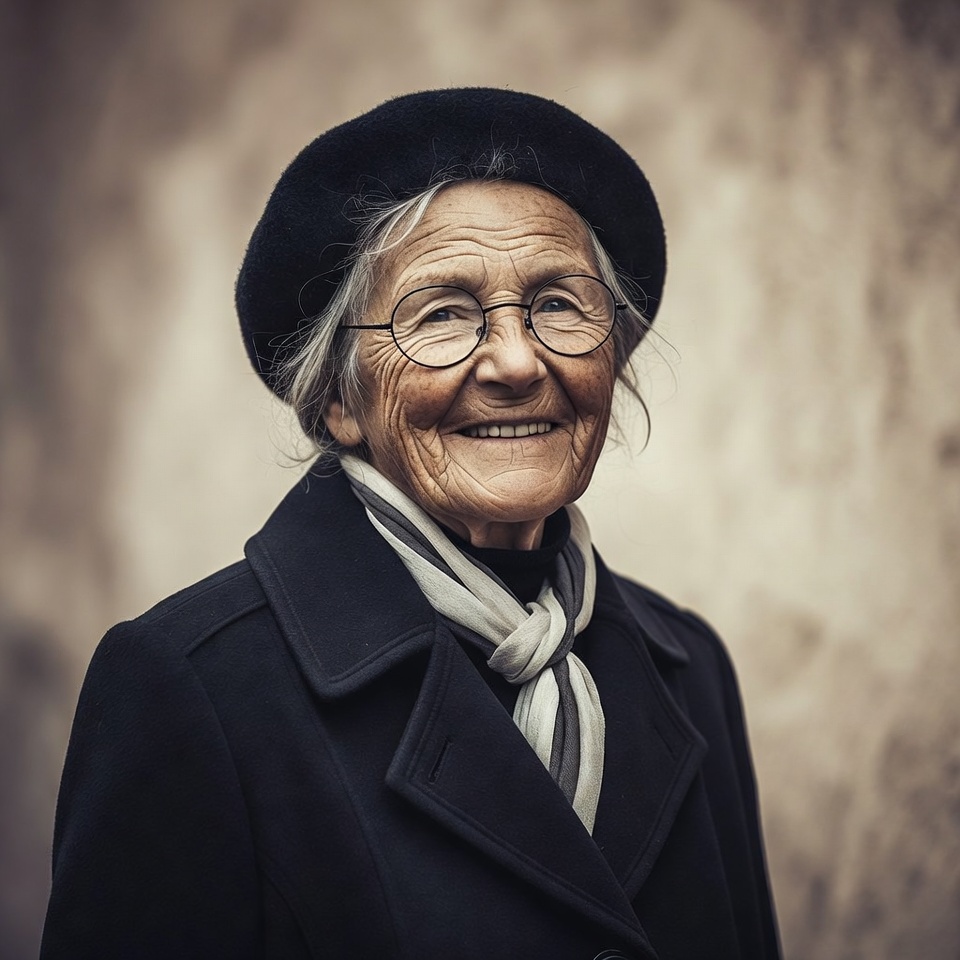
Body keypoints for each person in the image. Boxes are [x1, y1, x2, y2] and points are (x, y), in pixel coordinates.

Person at [41, 88, 781, 959]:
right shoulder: (191, 690)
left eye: (557, 303)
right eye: (442, 314)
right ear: (338, 399)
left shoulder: (688, 668)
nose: (517, 361)